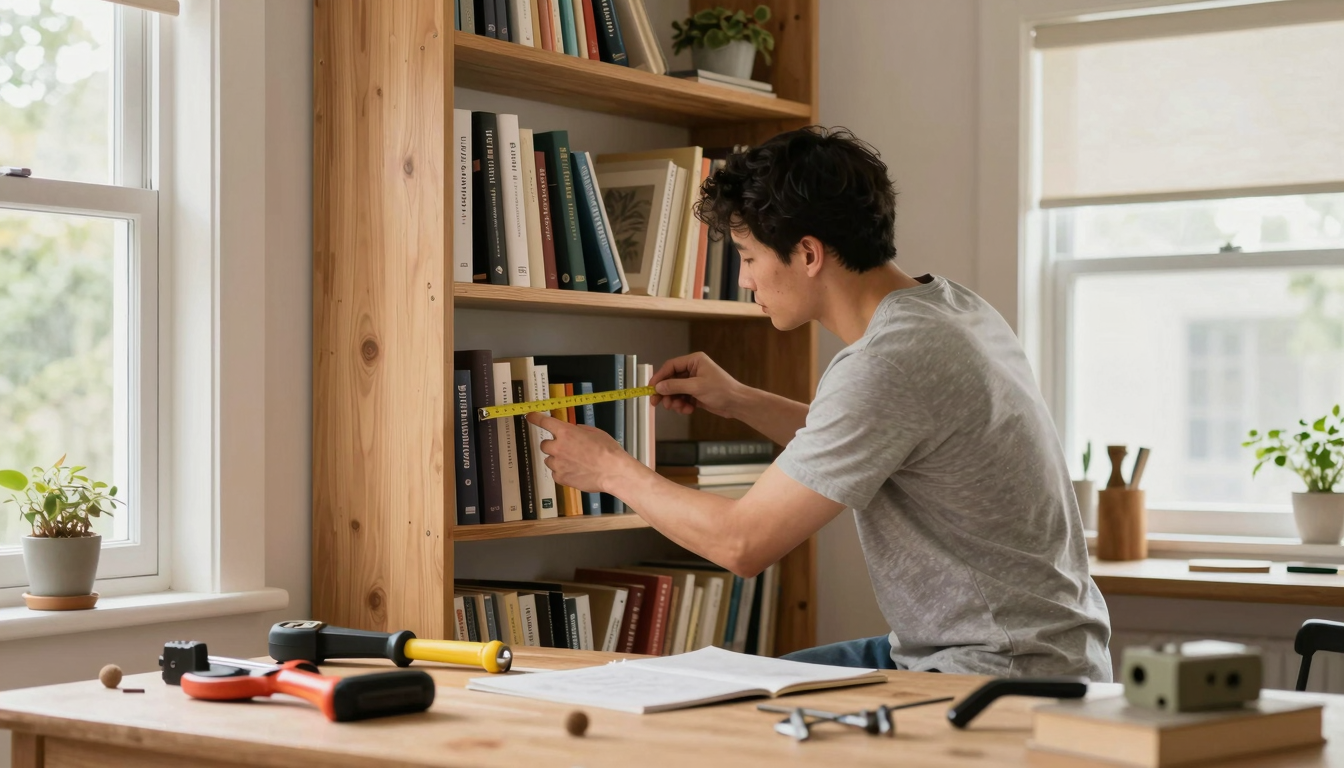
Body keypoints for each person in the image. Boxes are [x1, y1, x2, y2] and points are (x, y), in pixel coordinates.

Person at [525, 126, 1112, 679]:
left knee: (728, 711)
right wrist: (739, 400)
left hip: (1000, 670)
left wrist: (610, 470)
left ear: (808, 254)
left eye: (748, 257)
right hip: (1026, 646)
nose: (745, 280)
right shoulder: (954, 309)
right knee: (734, 687)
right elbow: (876, 437)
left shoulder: (887, 363)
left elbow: (741, 543)